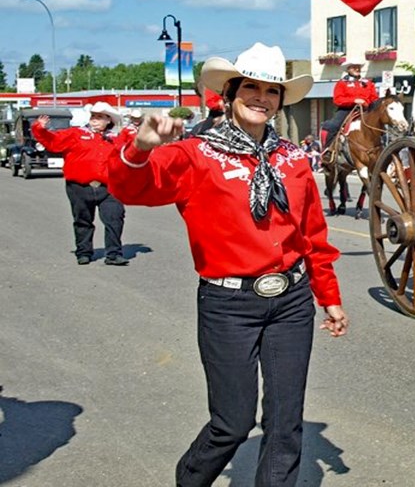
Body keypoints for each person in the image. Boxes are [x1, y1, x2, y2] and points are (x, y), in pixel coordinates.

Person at [108, 42, 348, 486]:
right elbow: (131, 188)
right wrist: (140, 148)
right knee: (232, 424)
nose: (262, 97)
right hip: (228, 305)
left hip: (291, 302)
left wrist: (328, 297)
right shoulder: (196, 155)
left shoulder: (292, 159)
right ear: (230, 96)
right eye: (251, 88)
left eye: (272, 91)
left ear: (280, 101)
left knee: (284, 423)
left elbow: (312, 235)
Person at [32, 101, 128, 266]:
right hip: (79, 186)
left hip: (110, 187)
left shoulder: (116, 140)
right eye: (93, 116)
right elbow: (53, 142)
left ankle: (113, 254)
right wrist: (40, 128)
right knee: (83, 220)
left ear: (108, 121)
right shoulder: (76, 134)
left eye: (99, 117)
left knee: (115, 218)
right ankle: (83, 252)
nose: (95, 120)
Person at [320, 59, 378, 152]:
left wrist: (367, 103)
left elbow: (374, 98)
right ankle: (328, 150)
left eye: (358, 67)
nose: (357, 69)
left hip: (366, 109)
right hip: (346, 109)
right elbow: (337, 100)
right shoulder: (342, 83)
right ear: (348, 69)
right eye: (354, 67)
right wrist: (354, 100)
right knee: (333, 126)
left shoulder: (368, 83)